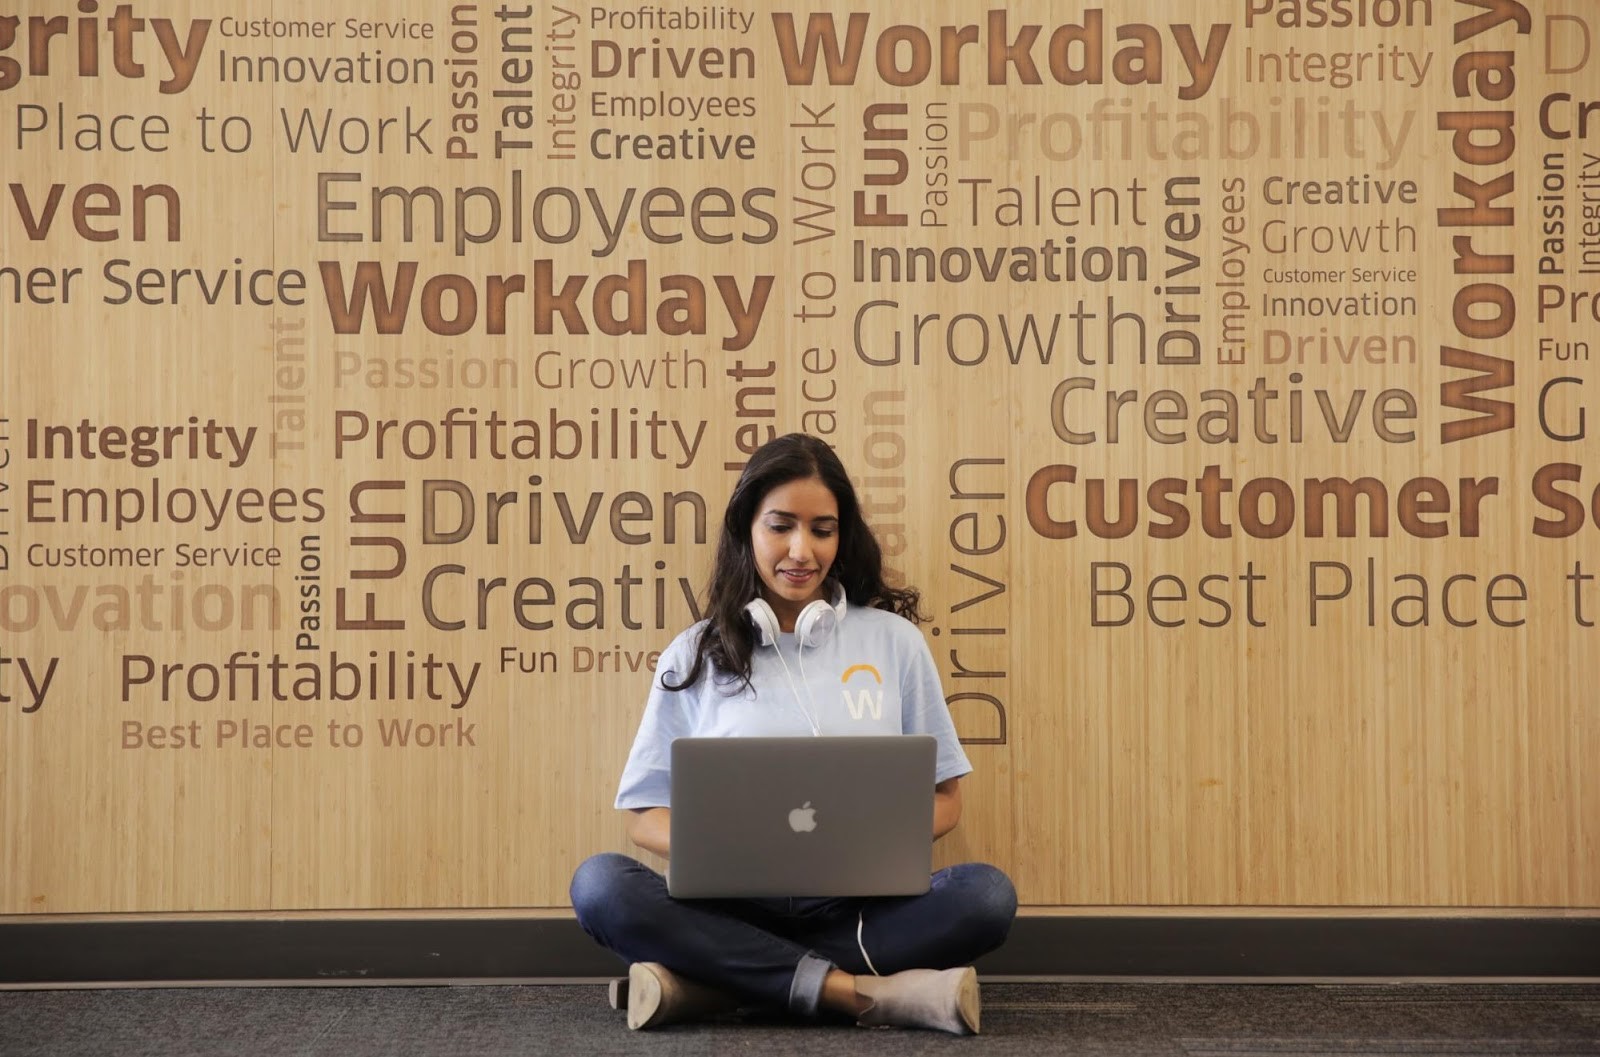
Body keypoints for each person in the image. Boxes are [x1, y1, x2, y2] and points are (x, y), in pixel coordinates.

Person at [570, 433, 1017, 1033]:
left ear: (843, 536)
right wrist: (730, 850)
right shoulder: (693, 654)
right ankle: (860, 994)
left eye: (822, 530)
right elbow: (644, 812)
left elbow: (946, 801)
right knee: (600, 885)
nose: (801, 550)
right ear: (746, 530)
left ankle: (715, 984)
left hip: (857, 908)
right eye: (780, 525)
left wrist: (859, 843)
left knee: (986, 897)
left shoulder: (894, 643)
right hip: (729, 907)